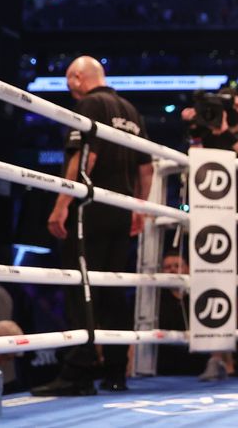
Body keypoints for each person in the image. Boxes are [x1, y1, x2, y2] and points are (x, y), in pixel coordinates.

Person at [31, 56, 152, 396]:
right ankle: (116, 372)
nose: (69, 86)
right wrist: (139, 208)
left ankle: (78, 374)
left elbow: (85, 156)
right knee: (112, 290)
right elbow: (147, 168)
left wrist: (61, 205)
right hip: (121, 210)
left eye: (70, 79)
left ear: (78, 77)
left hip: (90, 209)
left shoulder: (89, 103)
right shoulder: (131, 110)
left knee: (79, 286)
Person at [181, 85, 238, 381]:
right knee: (210, 285)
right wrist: (196, 128)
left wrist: (227, 133)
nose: (236, 108)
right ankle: (216, 357)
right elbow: (188, 163)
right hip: (209, 222)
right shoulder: (204, 139)